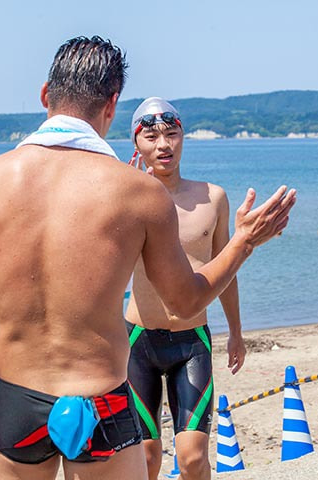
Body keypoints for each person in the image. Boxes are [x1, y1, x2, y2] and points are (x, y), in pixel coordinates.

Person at [0, 36, 296, 480]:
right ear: (112, 104)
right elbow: (185, 301)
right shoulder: (139, 193)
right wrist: (243, 242)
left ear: (45, 94)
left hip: (17, 401)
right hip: (101, 401)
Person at [125, 97, 244, 480]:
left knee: (192, 458)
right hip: (138, 341)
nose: (164, 145)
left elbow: (225, 269)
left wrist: (236, 331)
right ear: (137, 145)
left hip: (191, 341)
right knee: (146, 459)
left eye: (172, 134)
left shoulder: (213, 198)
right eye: (151, 137)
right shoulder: (126, 200)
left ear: (183, 137)